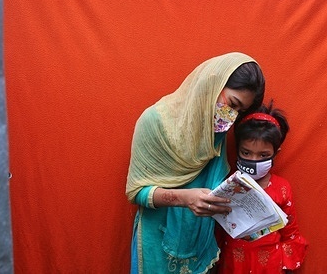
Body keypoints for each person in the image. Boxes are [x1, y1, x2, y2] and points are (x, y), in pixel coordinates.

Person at [125, 52, 266, 274]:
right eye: (232, 104)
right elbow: (136, 192)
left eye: (240, 112)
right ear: (212, 83)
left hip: (199, 243)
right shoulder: (153, 122)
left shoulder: (217, 132)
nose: (231, 116)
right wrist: (185, 198)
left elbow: (214, 186)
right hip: (157, 244)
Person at [217, 100, 308, 274]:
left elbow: (290, 232)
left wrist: (284, 264)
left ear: (275, 153)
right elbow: (218, 232)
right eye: (246, 152)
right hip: (233, 264)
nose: (254, 160)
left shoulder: (282, 188)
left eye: (263, 155)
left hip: (270, 265)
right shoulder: (226, 185)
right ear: (237, 149)